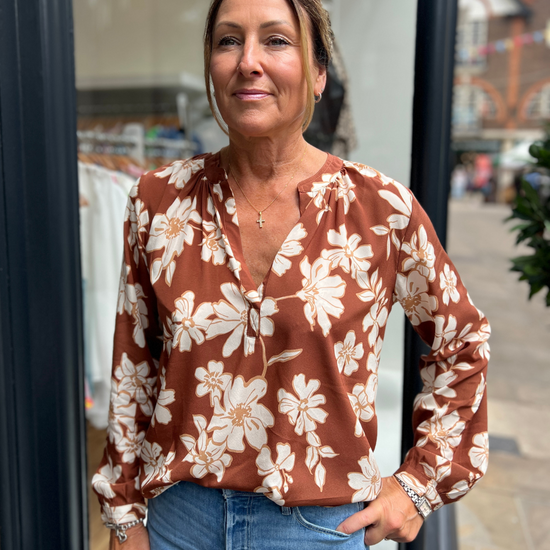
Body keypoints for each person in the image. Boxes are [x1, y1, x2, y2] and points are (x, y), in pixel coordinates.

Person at [92, 0, 490, 548]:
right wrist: (124, 512)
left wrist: (419, 485)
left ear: (319, 73)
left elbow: (462, 342)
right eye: (228, 41)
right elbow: (133, 363)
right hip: (177, 522)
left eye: (276, 41)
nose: (247, 61)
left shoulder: (380, 209)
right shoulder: (159, 201)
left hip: (318, 529)